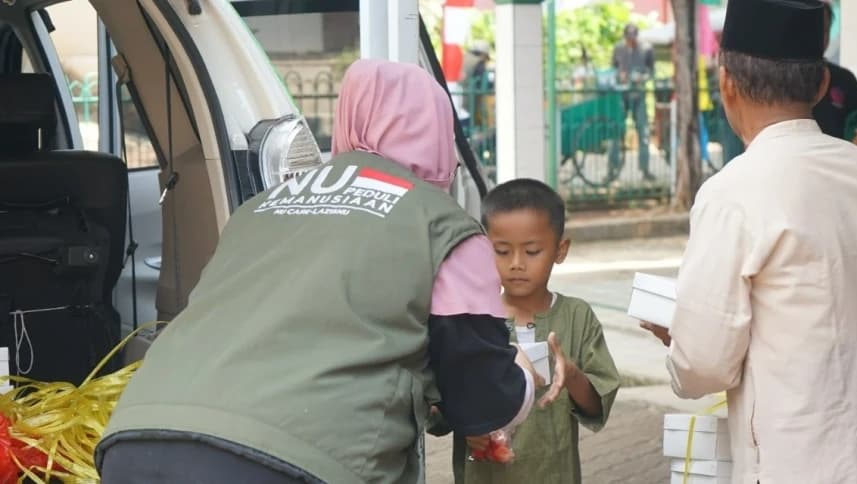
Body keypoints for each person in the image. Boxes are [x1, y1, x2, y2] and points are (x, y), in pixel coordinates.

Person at [95, 59, 564, 484]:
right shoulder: (444, 227)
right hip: (284, 461)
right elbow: (482, 397)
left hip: (136, 439)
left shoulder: (262, 206)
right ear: (437, 131)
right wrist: (522, 372)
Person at [641, 0, 857, 482]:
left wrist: (680, 340)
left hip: (794, 462)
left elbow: (704, 364)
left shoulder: (732, 194)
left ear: (727, 84)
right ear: (822, 85)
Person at [431, 179, 620, 484]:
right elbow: (437, 402)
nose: (516, 264)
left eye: (532, 251)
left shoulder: (576, 317)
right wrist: (467, 424)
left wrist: (571, 375)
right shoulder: (469, 320)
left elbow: (598, 404)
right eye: (502, 251)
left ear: (561, 250)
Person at [612, 23, 656, 180]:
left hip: (639, 94)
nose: (630, 40)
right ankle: (613, 170)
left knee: (643, 132)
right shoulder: (618, 49)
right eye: (628, 37)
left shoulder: (646, 49)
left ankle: (645, 169)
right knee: (616, 132)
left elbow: (651, 72)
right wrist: (619, 75)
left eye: (633, 37)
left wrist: (642, 78)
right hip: (622, 95)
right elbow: (613, 70)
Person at [813, 1, 857, 143]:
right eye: (813, 30)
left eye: (824, 30)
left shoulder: (845, 80)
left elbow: (856, 122)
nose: (819, 37)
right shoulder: (779, 78)